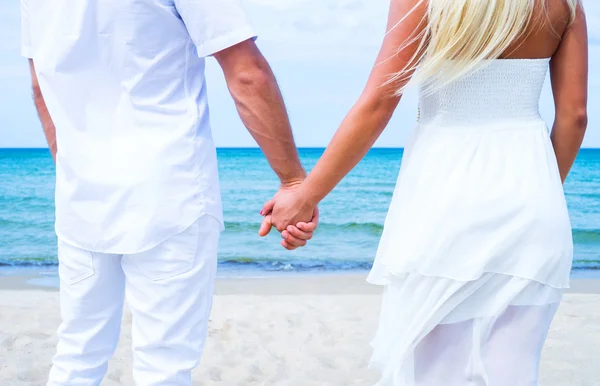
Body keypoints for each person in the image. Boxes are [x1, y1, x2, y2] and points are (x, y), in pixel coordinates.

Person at [265, 0, 588, 384]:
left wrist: (305, 196)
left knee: (434, 373)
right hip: (533, 198)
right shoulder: (566, 5)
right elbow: (574, 116)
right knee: (513, 371)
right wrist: (541, 189)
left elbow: (379, 103)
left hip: (445, 199)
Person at [20, 0, 317, 384]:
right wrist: (293, 180)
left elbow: (39, 87)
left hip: (81, 197)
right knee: (164, 365)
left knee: (78, 353)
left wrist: (74, 168)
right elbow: (246, 73)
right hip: (169, 190)